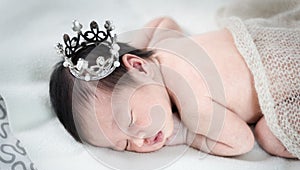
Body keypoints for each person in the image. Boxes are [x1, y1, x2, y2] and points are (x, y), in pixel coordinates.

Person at [49, 2, 300, 159]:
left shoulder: (194, 108)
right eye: (124, 144)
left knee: (269, 136)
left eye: (131, 120)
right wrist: (131, 56)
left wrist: (184, 132)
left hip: (289, 74)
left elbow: (242, 142)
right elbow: (163, 21)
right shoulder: (162, 45)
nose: (139, 138)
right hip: (268, 37)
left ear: (138, 66)